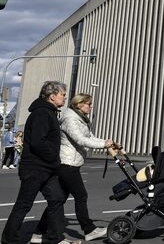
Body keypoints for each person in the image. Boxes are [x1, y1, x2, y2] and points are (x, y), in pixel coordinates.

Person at [1, 81, 79, 244]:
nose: (65, 97)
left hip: (47, 169)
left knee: (57, 198)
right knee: (24, 205)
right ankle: (9, 240)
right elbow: (38, 142)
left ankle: (55, 238)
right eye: (62, 94)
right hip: (35, 168)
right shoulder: (42, 113)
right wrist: (53, 157)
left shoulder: (49, 112)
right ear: (52, 96)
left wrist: (53, 162)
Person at [32, 93, 113, 242]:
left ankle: (38, 233)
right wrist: (103, 145)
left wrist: (108, 142)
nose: (91, 106)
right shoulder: (70, 118)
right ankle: (89, 230)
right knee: (81, 196)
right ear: (79, 104)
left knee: (59, 200)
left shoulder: (80, 119)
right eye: (88, 104)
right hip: (67, 164)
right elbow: (80, 139)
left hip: (70, 163)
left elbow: (89, 137)